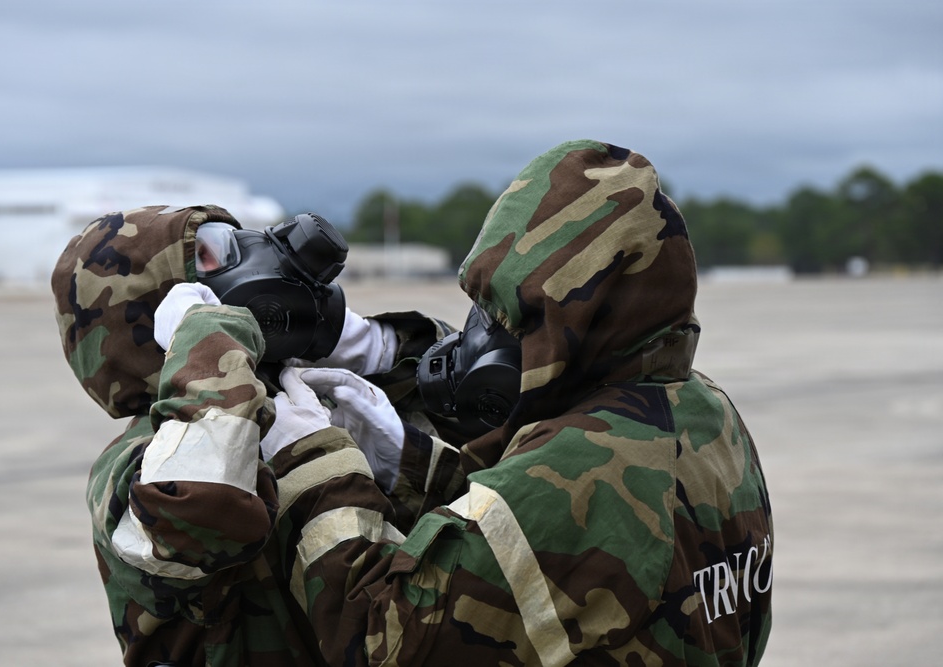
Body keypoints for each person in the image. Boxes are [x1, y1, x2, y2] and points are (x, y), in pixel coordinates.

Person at [266, 139, 774, 666]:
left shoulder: (579, 469)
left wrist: (317, 466)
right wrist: (407, 459)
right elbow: (535, 538)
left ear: (575, 316)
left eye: (514, 315)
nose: (486, 338)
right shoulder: (707, 409)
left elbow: (378, 641)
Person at [50, 204, 455, 666]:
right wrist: (209, 343)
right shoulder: (140, 461)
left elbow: (496, 400)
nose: (251, 259)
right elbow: (202, 509)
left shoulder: (301, 401)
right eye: (210, 256)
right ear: (163, 314)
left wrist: (373, 347)